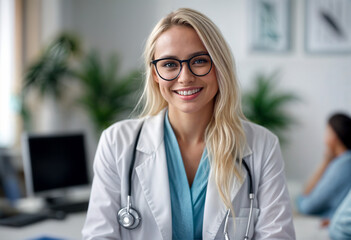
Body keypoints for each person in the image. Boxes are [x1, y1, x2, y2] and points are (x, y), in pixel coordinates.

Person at [82, 8, 295, 240]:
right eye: (169, 64)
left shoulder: (262, 145)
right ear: (155, 73)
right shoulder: (117, 142)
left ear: (219, 67)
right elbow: (99, 235)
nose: (185, 77)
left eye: (200, 61)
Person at [296, 113, 351, 218]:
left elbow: (307, 207)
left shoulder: (342, 165)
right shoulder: (343, 161)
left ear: (333, 135)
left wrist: (325, 162)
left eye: (326, 131)